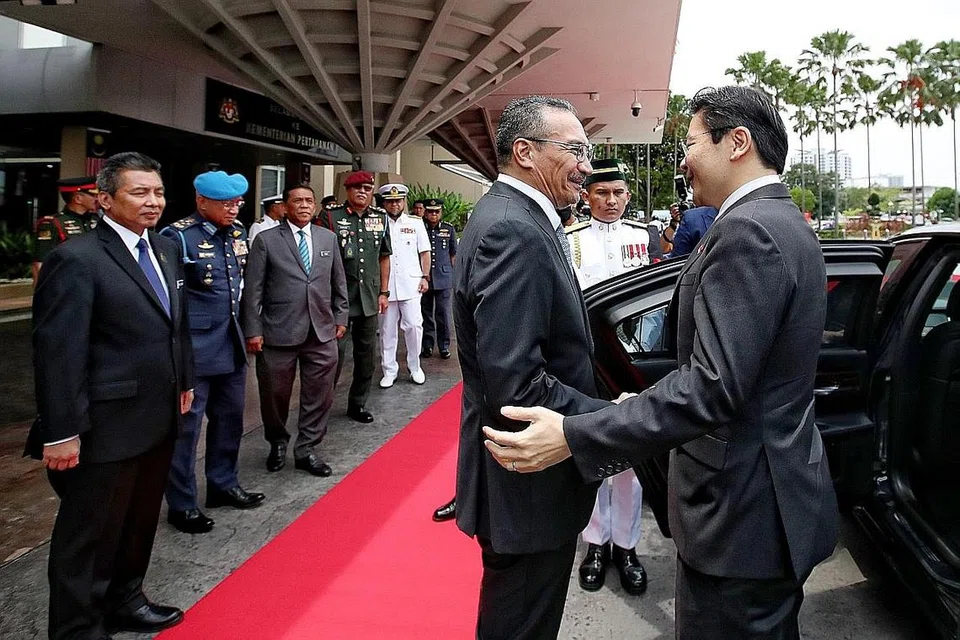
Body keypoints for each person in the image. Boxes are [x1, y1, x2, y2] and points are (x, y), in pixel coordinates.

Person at [484, 86, 839, 640]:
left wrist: (578, 432)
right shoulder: (780, 220)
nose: (683, 159)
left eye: (693, 142)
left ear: (737, 143)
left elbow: (713, 388)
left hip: (742, 515)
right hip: (764, 502)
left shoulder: (748, 231)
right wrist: (635, 403)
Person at [454, 95, 610, 639]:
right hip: (526, 484)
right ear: (524, 152)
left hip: (525, 482)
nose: (585, 165)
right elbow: (516, 382)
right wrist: (608, 416)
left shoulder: (517, 215)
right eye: (573, 149)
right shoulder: (513, 230)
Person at [29, 152, 194, 638]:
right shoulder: (76, 258)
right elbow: (57, 352)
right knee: (88, 536)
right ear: (105, 199)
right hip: (101, 425)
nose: (152, 202)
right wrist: (61, 433)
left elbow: (173, 327)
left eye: (158, 192)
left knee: (139, 522)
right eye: (139, 192)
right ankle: (78, 627)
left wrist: (183, 380)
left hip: (158, 415)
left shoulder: (163, 248)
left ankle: (126, 599)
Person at [160, 170, 265, 535]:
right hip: (194, 348)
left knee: (230, 419)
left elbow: (243, 287)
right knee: (187, 430)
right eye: (225, 203)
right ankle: (183, 503)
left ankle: (223, 484)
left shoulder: (237, 234)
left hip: (231, 342)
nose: (233, 209)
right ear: (201, 201)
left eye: (237, 203)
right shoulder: (177, 237)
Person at [563, 158, 649, 596]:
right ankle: (594, 543)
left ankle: (626, 546)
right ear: (587, 195)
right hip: (591, 363)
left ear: (627, 195)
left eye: (617, 193)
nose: (610, 201)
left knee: (631, 461)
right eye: (601, 193)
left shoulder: (641, 236)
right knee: (595, 453)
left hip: (631, 363)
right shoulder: (571, 239)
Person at [242, 184, 348, 477]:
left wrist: (341, 317)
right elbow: (253, 290)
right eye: (297, 201)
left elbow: (339, 281)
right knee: (275, 394)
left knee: (320, 393)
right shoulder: (266, 241)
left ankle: (307, 448)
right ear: (285, 206)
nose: (303, 205)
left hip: (321, 330)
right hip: (278, 331)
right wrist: (253, 329)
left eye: (309, 201)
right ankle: (277, 441)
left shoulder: (328, 237)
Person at [316, 171, 391, 423]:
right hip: (337, 298)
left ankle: (357, 404)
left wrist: (384, 291)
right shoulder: (330, 216)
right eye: (357, 187)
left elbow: (384, 256)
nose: (362, 192)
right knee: (333, 355)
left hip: (368, 297)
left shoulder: (380, 218)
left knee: (366, 356)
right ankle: (321, 406)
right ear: (347, 191)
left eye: (367, 188)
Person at [377, 183, 431, 388]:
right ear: (384, 203)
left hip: (411, 284)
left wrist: (425, 277)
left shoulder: (415, 223)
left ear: (404, 202)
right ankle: (389, 370)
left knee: (414, 327)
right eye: (390, 201)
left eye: (398, 200)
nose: (394, 204)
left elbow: (425, 252)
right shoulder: (377, 223)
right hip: (386, 286)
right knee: (387, 331)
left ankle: (415, 367)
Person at [32, 176, 100, 284]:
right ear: (78, 198)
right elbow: (40, 264)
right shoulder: (52, 223)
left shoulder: (97, 220)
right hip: (68, 284)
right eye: (93, 195)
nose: (97, 199)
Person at [420, 198, 457, 360]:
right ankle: (427, 345)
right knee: (425, 314)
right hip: (424, 278)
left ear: (441, 212)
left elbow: (453, 254)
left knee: (443, 314)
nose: (433, 214)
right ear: (425, 212)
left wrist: (456, 276)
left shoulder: (448, 229)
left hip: (444, 277)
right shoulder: (419, 228)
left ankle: (444, 346)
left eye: (436, 211)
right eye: (430, 211)